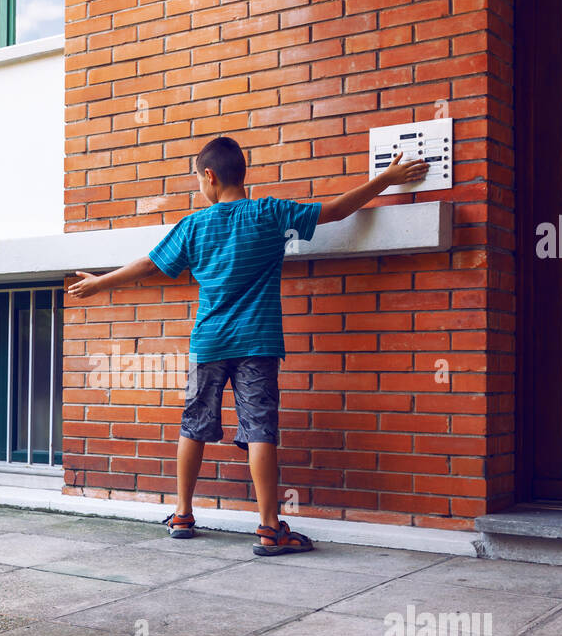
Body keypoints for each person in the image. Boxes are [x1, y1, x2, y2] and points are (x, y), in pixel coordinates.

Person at [67, 136, 427, 555]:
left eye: (197, 180)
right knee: (260, 430)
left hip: (208, 342)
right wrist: (385, 179)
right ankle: (270, 528)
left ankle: (182, 514)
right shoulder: (271, 213)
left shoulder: (195, 225)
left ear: (210, 176)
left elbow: (149, 265)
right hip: (258, 341)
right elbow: (336, 210)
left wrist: (99, 283)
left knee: (193, 424)